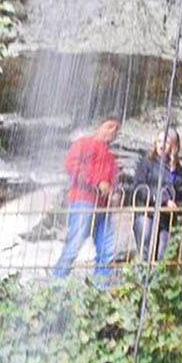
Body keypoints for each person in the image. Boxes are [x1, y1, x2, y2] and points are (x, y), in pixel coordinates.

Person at [53, 117, 121, 279]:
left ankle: (101, 287)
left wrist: (114, 192)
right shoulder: (83, 143)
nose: (113, 131)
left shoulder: (111, 158)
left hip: (104, 206)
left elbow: (113, 182)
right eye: (110, 126)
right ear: (99, 126)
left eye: (116, 129)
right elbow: (71, 166)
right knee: (75, 242)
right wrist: (97, 182)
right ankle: (56, 281)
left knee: (107, 248)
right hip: (83, 200)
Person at [131, 129, 182, 264]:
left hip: (166, 218)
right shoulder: (146, 163)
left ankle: (157, 284)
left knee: (163, 255)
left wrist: (174, 167)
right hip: (147, 213)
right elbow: (140, 188)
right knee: (145, 251)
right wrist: (163, 200)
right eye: (159, 141)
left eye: (167, 142)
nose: (161, 145)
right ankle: (142, 282)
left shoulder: (179, 171)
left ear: (175, 146)